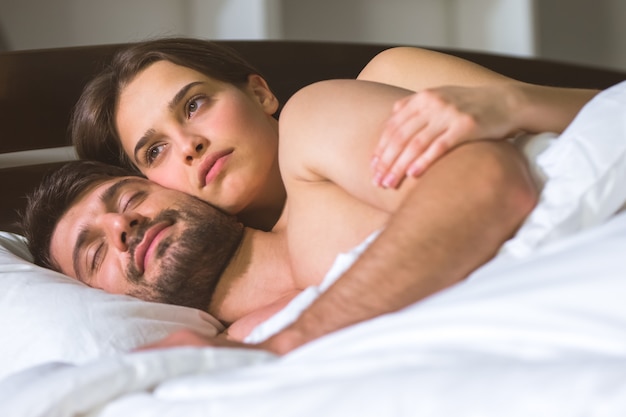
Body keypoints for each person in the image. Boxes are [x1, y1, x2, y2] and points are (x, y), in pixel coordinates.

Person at [25, 78, 538, 353]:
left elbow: (487, 179)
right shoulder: (224, 354)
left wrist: (297, 336)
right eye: (94, 253)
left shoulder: (312, 147)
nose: (123, 228)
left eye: (130, 199)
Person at [70, 38, 597, 230]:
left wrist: (515, 102)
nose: (188, 146)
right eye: (155, 149)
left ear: (259, 94)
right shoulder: (249, 282)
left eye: (195, 104)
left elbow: (607, 117)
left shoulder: (390, 76)